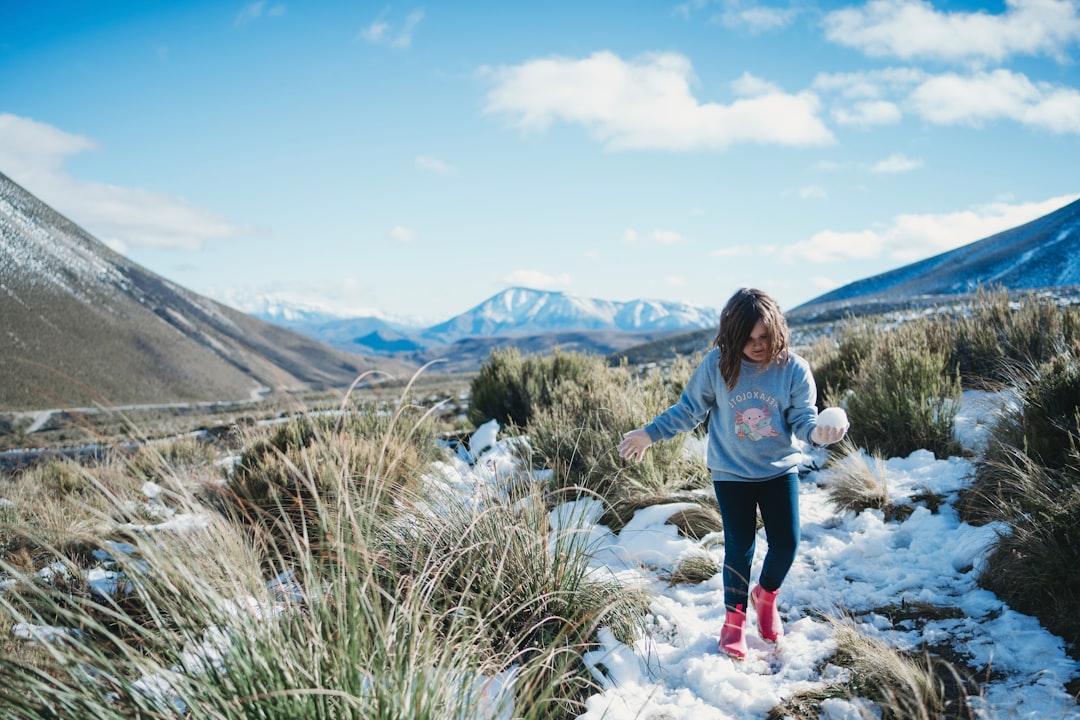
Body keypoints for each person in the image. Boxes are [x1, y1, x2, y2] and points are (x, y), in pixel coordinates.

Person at [617, 287, 847, 659]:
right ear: (732, 336)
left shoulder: (794, 369)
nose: (757, 345)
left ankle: (766, 597)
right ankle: (734, 622)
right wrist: (650, 434)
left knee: (786, 543)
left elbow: (802, 419)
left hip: (778, 470)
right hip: (731, 474)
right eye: (748, 339)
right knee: (740, 548)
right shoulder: (718, 365)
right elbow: (688, 410)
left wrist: (818, 434)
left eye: (765, 337)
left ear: (778, 332)